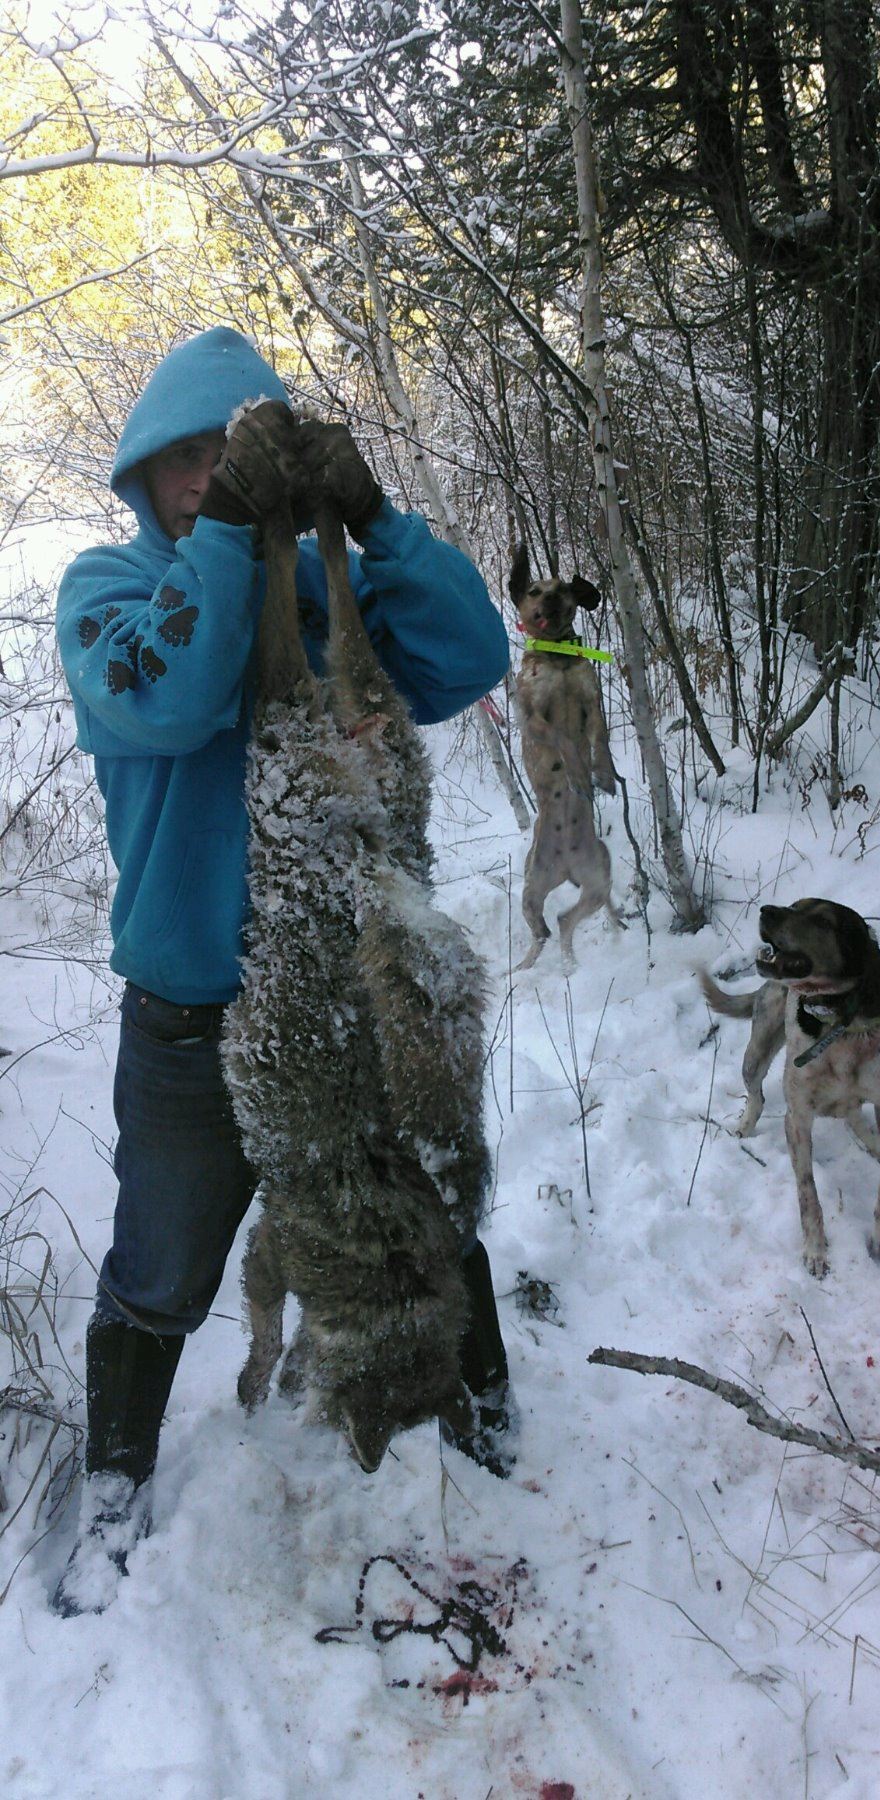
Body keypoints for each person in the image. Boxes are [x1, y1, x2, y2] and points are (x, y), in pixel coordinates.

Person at [53, 327, 513, 1617]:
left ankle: (484, 1416)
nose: (210, 478)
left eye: (233, 457)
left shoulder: (319, 594)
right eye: (187, 461)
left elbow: (470, 659)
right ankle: (115, 1494)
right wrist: (230, 532)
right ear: (145, 476)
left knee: (418, 1211)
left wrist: (374, 523)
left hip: (350, 1006)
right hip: (193, 1018)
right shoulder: (108, 597)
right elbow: (175, 696)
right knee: (162, 1271)